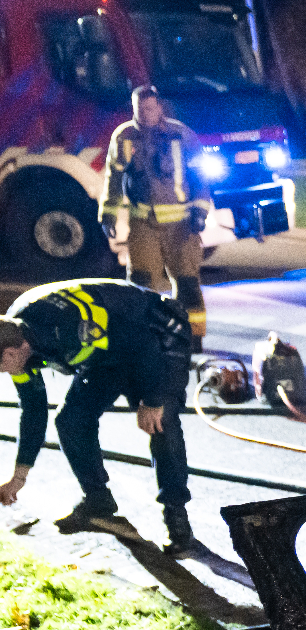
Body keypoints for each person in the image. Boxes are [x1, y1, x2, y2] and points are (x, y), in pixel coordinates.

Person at [1, 280, 197, 554]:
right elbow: (33, 409)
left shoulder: (70, 327)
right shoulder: (16, 341)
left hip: (155, 334)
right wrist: (19, 477)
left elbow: (141, 345)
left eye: (2, 367)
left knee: (160, 423)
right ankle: (98, 502)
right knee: (71, 420)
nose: (4, 374)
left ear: (12, 352)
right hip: (110, 350)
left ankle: (178, 520)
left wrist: (153, 401)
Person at [99, 86, 212, 348]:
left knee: (187, 283)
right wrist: (108, 214)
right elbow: (114, 178)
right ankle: (142, 338)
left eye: (149, 108)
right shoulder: (124, 136)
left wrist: (200, 211)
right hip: (143, 224)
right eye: (139, 109)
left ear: (160, 107)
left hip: (181, 224)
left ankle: (193, 338)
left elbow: (201, 177)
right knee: (140, 284)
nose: (144, 114)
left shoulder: (182, 135)